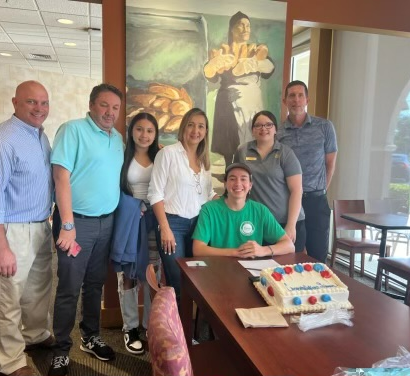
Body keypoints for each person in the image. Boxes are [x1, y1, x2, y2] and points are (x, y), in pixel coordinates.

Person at [0, 80, 54, 376]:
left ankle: (36, 335)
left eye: (44, 103)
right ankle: (11, 362)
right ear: (15, 102)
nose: (39, 108)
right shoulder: (1, 141)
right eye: (32, 102)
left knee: (37, 290)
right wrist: (2, 247)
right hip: (9, 231)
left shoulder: (39, 136)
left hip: (39, 227)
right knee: (6, 298)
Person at [48, 83, 124, 376]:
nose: (110, 112)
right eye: (105, 105)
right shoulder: (73, 130)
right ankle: (61, 350)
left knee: (94, 285)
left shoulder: (117, 139)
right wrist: (67, 225)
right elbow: (60, 177)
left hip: (107, 223)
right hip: (75, 224)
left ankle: (91, 337)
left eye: (115, 108)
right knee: (68, 287)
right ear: (92, 105)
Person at [148, 108, 217, 304]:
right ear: (183, 127)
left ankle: (190, 329)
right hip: (172, 224)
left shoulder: (204, 160)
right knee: (176, 280)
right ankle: (176, 332)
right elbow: (155, 194)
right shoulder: (168, 154)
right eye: (191, 125)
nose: (196, 130)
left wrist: (231, 200)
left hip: (198, 226)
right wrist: (165, 228)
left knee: (196, 278)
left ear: (205, 132)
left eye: (201, 126)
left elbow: (208, 193)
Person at [112, 113, 161, 355]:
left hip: (154, 220)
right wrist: (134, 207)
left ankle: (150, 325)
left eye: (150, 130)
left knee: (152, 273)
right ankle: (130, 328)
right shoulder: (121, 155)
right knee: (129, 274)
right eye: (140, 129)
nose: (144, 135)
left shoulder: (161, 156)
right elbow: (113, 187)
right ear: (132, 131)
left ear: (155, 134)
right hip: (129, 219)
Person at [277, 80, 338, 263]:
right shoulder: (278, 133)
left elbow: (330, 163)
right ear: (285, 101)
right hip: (288, 203)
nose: (296, 100)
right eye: (291, 96)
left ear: (307, 99)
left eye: (300, 95)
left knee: (317, 257)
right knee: (289, 256)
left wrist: (322, 190)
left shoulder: (325, 127)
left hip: (316, 202)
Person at [204, 11, 275, 166]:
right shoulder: (224, 52)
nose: (245, 28)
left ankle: (251, 169)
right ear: (232, 29)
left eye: (248, 25)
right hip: (229, 98)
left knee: (252, 135)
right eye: (241, 25)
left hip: (252, 98)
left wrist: (254, 63)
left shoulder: (256, 51)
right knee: (230, 139)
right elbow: (211, 76)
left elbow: (269, 69)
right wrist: (214, 64)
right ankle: (230, 168)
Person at [233, 110, 306, 252]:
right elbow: (235, 182)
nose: (263, 129)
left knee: (287, 270)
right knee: (258, 268)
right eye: (258, 125)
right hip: (257, 222)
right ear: (252, 130)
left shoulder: (286, 153)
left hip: (284, 222)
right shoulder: (242, 151)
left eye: (268, 125)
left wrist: (291, 225)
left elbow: (297, 190)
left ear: (275, 129)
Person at [193, 163, 294, 257]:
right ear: (225, 184)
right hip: (219, 268)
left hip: (252, 270)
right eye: (232, 179)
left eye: (243, 179)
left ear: (250, 185)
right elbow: (198, 249)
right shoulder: (209, 210)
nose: (238, 183)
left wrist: (263, 250)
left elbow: (289, 245)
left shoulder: (260, 211)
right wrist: (235, 252)